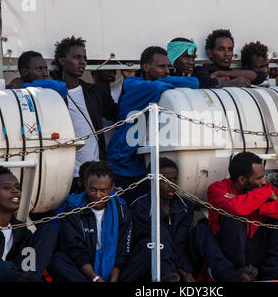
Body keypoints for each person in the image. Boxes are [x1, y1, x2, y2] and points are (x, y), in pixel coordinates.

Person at [119, 157, 258, 282]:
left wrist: (186, 272)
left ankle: (229, 275)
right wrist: (183, 273)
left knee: (202, 231)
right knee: (158, 234)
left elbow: (180, 243)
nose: (172, 184)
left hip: (181, 263)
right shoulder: (140, 206)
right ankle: (169, 275)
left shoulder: (185, 206)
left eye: (174, 179)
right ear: (151, 181)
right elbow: (150, 242)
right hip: (149, 262)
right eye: (166, 181)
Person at [106, 46, 199, 205]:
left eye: (168, 66)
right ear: (146, 67)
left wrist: (162, 80)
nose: (167, 71)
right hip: (120, 163)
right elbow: (157, 87)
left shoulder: (156, 83)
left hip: (142, 165)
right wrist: (164, 82)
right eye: (162, 67)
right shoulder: (133, 83)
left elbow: (194, 82)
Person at [207, 151, 278, 280]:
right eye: (259, 178)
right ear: (242, 180)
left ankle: (269, 276)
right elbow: (236, 208)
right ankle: (240, 275)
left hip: (256, 246)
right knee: (234, 217)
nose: (264, 182)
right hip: (229, 251)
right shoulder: (217, 189)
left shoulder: (263, 188)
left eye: (264, 177)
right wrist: (265, 194)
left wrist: (259, 207)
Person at [52, 36, 118, 193]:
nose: (82, 62)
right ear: (62, 61)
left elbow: (117, 113)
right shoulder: (51, 93)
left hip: (94, 172)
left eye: (84, 58)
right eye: (76, 57)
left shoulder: (93, 91)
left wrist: (130, 79)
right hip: (66, 172)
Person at [48, 161, 132, 282]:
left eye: (104, 190)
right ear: (85, 185)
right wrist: (95, 278)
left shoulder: (122, 211)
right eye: (93, 189)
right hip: (84, 270)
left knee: (145, 251)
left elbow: (123, 250)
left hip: (115, 271)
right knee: (57, 260)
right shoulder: (73, 210)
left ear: (112, 188)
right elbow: (76, 251)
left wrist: (114, 279)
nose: (98, 195)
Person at [192, 29, 266, 88]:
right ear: (210, 53)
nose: (227, 54)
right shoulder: (201, 71)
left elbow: (260, 76)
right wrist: (230, 83)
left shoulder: (233, 73)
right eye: (221, 49)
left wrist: (219, 73)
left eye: (230, 49)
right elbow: (206, 85)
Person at [92, 67, 136, 146]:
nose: (113, 69)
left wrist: (129, 77)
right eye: (106, 64)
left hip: (120, 147)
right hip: (97, 148)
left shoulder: (122, 85)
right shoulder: (87, 92)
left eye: (114, 65)